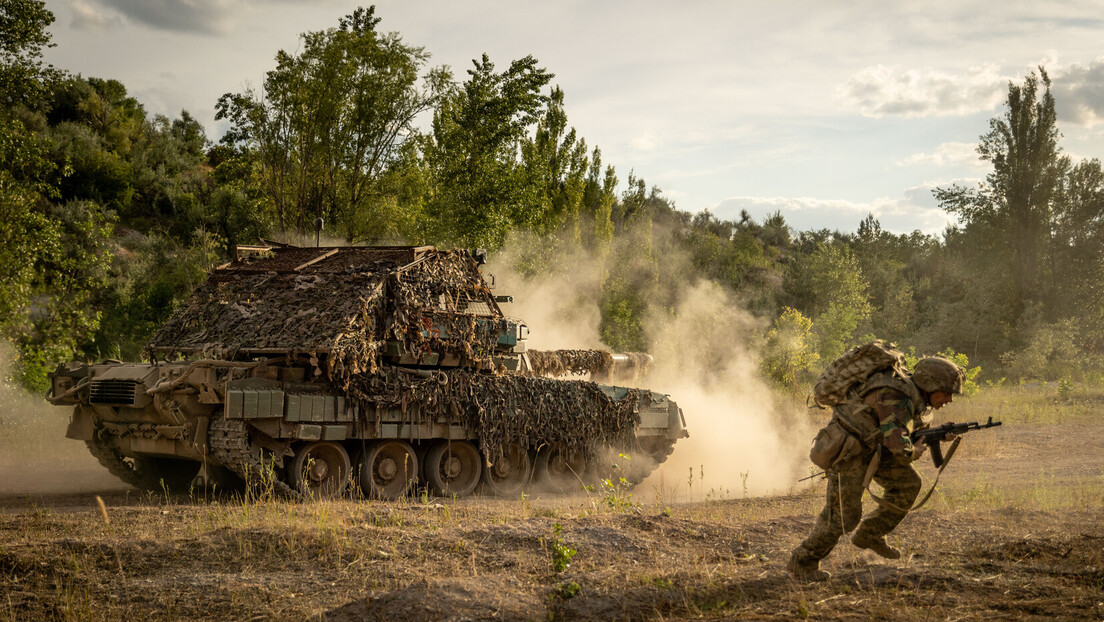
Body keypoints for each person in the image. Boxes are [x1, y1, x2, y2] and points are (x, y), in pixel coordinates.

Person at [786, 356, 965, 581]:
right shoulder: (896, 395)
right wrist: (914, 451)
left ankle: (869, 534)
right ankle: (803, 560)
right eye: (947, 392)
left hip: (875, 450)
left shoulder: (914, 397)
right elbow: (899, 446)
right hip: (851, 452)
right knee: (844, 516)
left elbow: (903, 430)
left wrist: (935, 436)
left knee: (909, 483)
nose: (949, 399)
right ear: (930, 385)